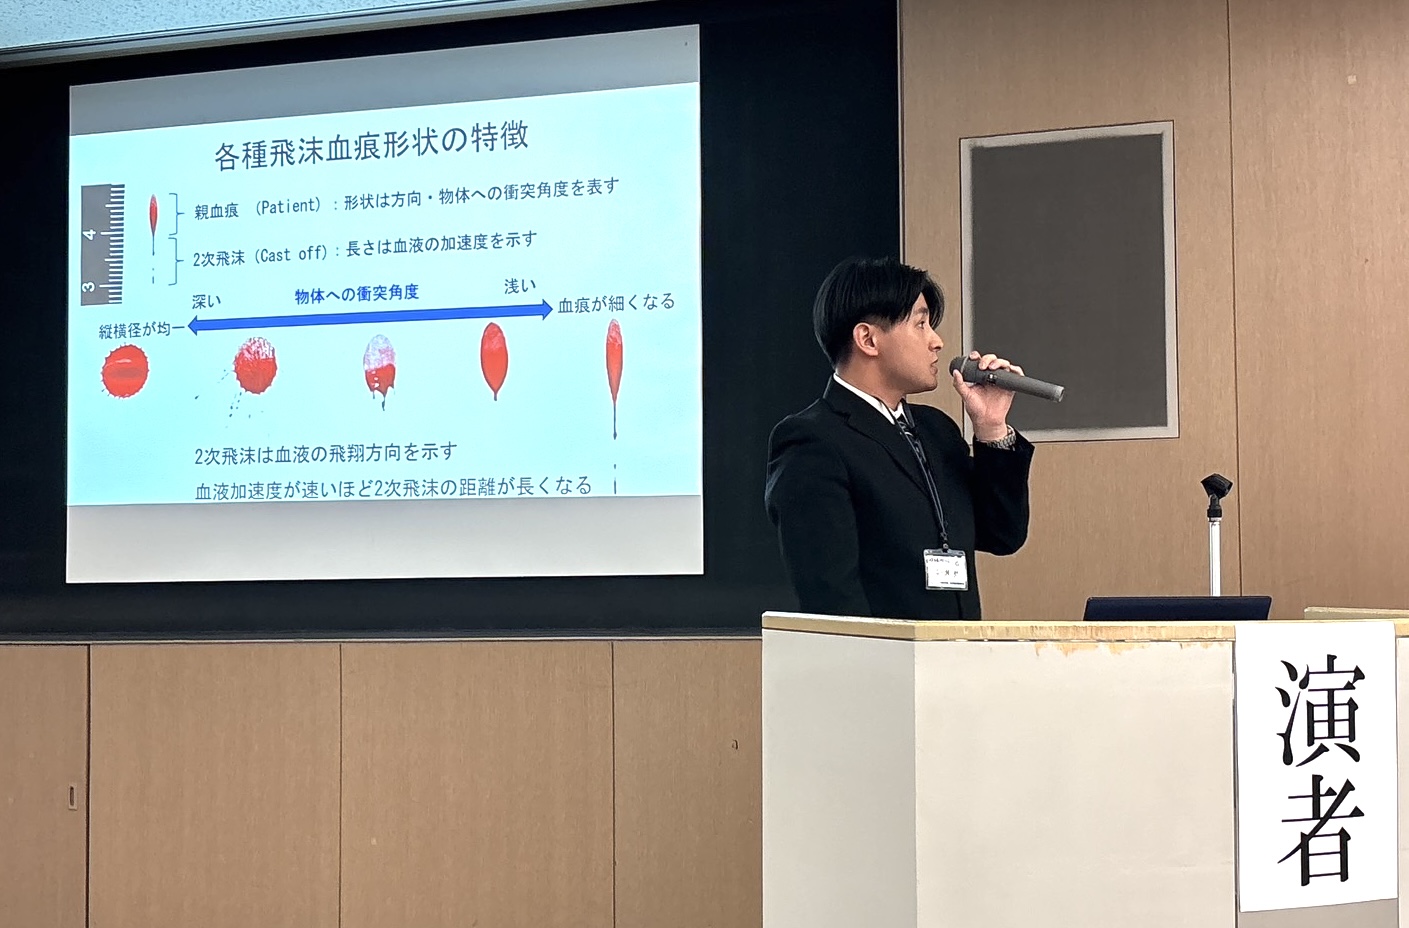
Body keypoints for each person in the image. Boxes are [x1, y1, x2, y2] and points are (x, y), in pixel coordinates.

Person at [764, 256, 1034, 620]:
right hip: (885, 656)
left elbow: (1002, 534)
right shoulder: (813, 440)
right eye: (921, 324)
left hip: (956, 649)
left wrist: (992, 429)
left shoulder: (937, 429)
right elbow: (831, 596)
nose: (937, 342)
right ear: (868, 339)